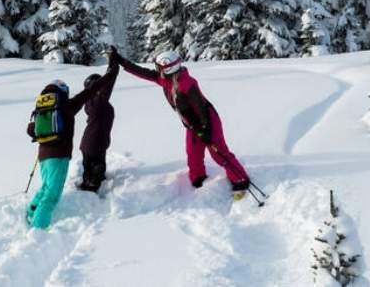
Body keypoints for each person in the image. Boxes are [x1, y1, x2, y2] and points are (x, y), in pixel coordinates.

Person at [110, 47, 251, 193]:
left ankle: (240, 180)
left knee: (219, 153)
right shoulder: (166, 80)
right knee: (193, 152)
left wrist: (205, 131)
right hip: (191, 123)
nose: (157, 70)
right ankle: (198, 178)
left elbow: (201, 108)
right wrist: (121, 61)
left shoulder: (187, 83)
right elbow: (143, 72)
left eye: (159, 67)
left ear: (168, 68)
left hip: (207, 121)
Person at [24, 61, 118, 229]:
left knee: (46, 186)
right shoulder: (66, 106)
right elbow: (89, 92)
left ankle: (31, 212)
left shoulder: (41, 110)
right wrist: (109, 76)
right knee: (52, 195)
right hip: (59, 156)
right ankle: (39, 228)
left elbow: (31, 130)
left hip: (43, 156)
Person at [76, 60, 120, 192]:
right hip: (94, 144)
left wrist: (111, 65)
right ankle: (89, 198)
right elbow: (107, 86)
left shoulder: (95, 102)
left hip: (95, 143)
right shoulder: (97, 102)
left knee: (94, 175)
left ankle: (90, 192)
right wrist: (114, 70)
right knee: (93, 179)